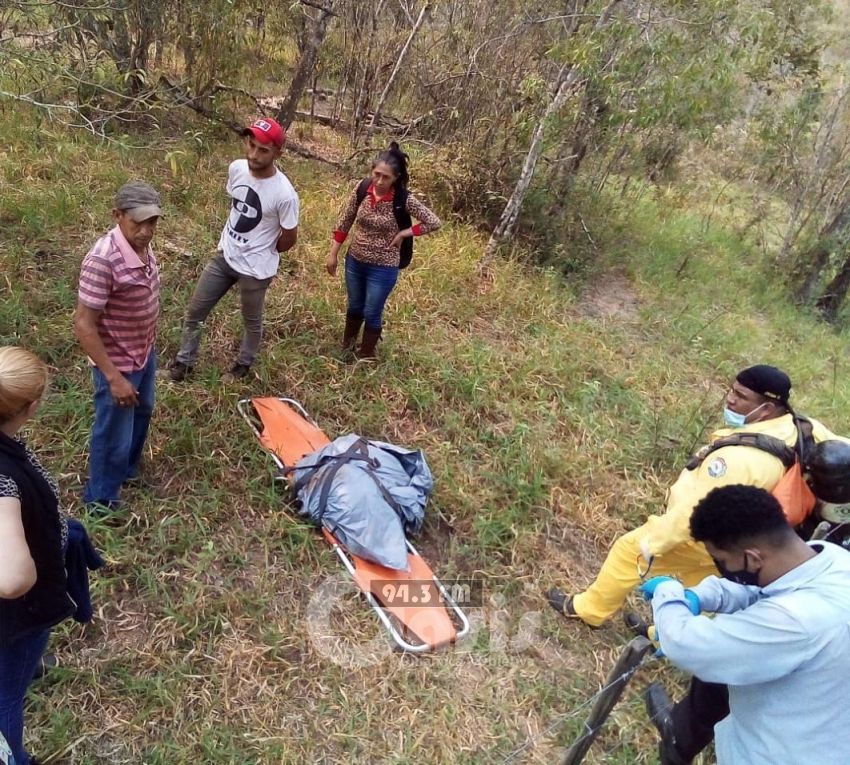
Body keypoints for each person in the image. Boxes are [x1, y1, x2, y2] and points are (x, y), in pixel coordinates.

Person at [546, 364, 843, 627]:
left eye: (741, 396)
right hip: (740, 540)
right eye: (732, 390)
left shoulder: (740, 460)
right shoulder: (805, 427)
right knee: (701, 588)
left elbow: (694, 512)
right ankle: (661, 638)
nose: (730, 399)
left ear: (766, 409)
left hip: (705, 535)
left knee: (628, 552)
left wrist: (652, 543)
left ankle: (587, 610)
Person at [640, 484, 850, 765]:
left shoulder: (795, 623)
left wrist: (668, 594)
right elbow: (765, 591)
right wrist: (704, 595)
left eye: (722, 560)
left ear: (752, 557)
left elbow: (685, 644)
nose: (721, 567)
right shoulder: (834, 561)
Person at [162, 117, 299, 382]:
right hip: (226, 255)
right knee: (196, 310)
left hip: (256, 268)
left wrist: (263, 249)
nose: (254, 154)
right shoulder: (237, 169)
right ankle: (184, 364)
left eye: (263, 150)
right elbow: (236, 206)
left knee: (251, 320)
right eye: (251, 145)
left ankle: (242, 366)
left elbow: (289, 238)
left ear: (277, 153)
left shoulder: (285, 194)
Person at [0, 347, 75, 765]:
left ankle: (25, 665)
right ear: (31, 407)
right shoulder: (2, 480)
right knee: (6, 698)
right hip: (15, 615)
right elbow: (12, 579)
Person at [74, 181, 162, 511]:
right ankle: (101, 499)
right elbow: (84, 324)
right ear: (117, 215)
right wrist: (113, 377)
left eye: (152, 222)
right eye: (138, 222)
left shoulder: (141, 247)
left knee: (142, 410)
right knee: (113, 430)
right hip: (117, 362)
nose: (146, 230)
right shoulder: (103, 260)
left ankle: (126, 470)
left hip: (142, 352)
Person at [325, 142, 441, 359]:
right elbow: (345, 220)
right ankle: (347, 349)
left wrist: (405, 233)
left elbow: (433, 222)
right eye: (376, 174)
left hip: (384, 267)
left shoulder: (403, 199)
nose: (379, 181)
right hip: (355, 261)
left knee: (372, 310)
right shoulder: (362, 189)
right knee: (355, 306)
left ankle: (366, 355)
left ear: (396, 178)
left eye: (385, 177)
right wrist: (333, 253)